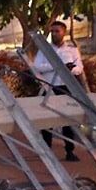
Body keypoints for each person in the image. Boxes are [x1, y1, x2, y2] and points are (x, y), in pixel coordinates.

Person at [33, 21, 84, 162]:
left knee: (68, 120)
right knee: (46, 120)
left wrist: (70, 69)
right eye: (52, 31)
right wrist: (57, 66)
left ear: (64, 33)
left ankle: (69, 150)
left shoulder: (72, 49)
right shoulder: (45, 49)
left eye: (57, 31)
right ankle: (46, 150)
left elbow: (79, 67)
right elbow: (38, 66)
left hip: (65, 87)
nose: (54, 34)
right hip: (48, 87)